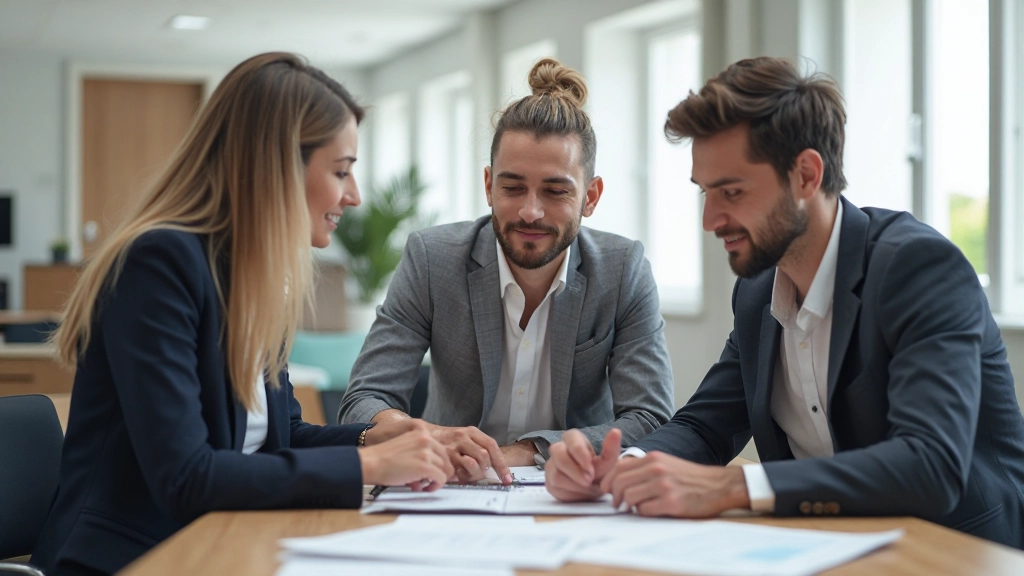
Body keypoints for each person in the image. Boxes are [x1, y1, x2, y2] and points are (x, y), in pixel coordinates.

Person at [544, 56, 1024, 548]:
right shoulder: (757, 291)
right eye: (705, 193)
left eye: (731, 191)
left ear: (806, 176)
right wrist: (621, 469)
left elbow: (931, 464)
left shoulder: (917, 268)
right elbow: (706, 426)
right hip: (826, 546)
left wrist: (734, 486)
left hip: (953, 551)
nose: (710, 220)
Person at [31, 52, 454, 576]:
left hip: (219, 544)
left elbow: (281, 438)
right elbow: (187, 477)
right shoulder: (158, 265)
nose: (354, 195)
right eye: (341, 170)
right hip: (130, 558)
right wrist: (367, 466)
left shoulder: (250, 276)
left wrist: (380, 438)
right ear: (277, 167)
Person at [338, 58, 674, 481]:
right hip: (445, 484)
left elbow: (650, 417)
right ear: (488, 186)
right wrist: (428, 439)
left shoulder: (623, 270)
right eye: (512, 188)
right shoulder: (432, 258)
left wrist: (524, 451)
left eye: (555, 191)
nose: (530, 212)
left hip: (570, 488)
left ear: (591, 196)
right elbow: (365, 398)